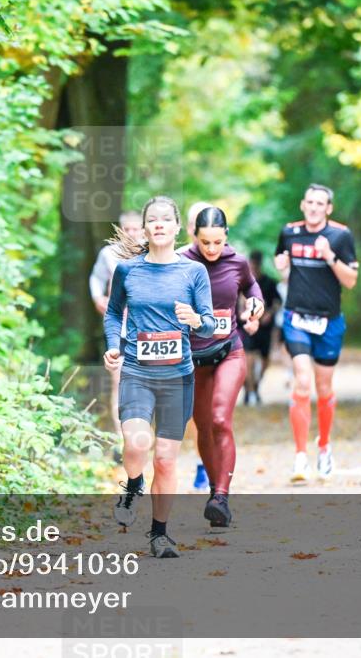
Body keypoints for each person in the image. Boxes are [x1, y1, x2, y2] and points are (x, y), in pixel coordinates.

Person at [105, 195, 216, 557]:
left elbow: (210, 323)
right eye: (152, 219)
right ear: (145, 227)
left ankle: (159, 534)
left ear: (177, 227)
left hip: (177, 377)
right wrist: (114, 346)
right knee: (137, 443)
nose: (159, 224)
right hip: (137, 372)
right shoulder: (128, 271)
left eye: (166, 219)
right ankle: (134, 483)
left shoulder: (193, 272)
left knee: (166, 458)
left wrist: (196, 320)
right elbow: (113, 314)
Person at [182, 207, 264, 527]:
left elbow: (251, 288)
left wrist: (255, 306)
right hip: (194, 358)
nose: (212, 249)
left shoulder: (237, 261)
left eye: (218, 242)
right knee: (203, 427)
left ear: (226, 236)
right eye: (205, 242)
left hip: (229, 351)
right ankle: (216, 494)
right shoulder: (180, 261)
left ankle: (221, 496)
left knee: (219, 419)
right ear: (195, 236)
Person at [274, 184, 358, 482]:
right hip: (296, 318)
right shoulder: (289, 233)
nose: (313, 207)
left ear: (328, 208)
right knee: (302, 381)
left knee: (323, 388)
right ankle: (300, 457)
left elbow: (351, 280)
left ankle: (324, 447)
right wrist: (281, 265)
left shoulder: (341, 236)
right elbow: (281, 263)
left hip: (329, 322)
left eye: (319, 203)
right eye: (309, 202)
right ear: (302, 204)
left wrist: (329, 256)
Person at [89, 211, 145, 450]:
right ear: (120, 231)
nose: (131, 234)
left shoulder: (152, 253)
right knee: (119, 382)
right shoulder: (109, 254)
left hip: (146, 330)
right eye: (127, 229)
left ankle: (142, 432)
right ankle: (122, 441)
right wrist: (97, 298)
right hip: (119, 328)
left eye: (135, 229)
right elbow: (96, 278)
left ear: (143, 230)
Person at [177, 201, 214, 492]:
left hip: (218, 345)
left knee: (215, 410)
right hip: (185, 345)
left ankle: (210, 463)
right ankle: (202, 460)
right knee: (193, 411)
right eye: (197, 223)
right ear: (190, 228)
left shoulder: (225, 255)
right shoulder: (176, 259)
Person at [240, 251, 281, 405]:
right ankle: (249, 392)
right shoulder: (243, 282)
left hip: (265, 328)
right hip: (247, 326)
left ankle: (255, 387)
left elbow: (277, 302)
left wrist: (269, 313)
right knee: (248, 361)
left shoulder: (269, 282)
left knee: (265, 361)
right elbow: (238, 302)